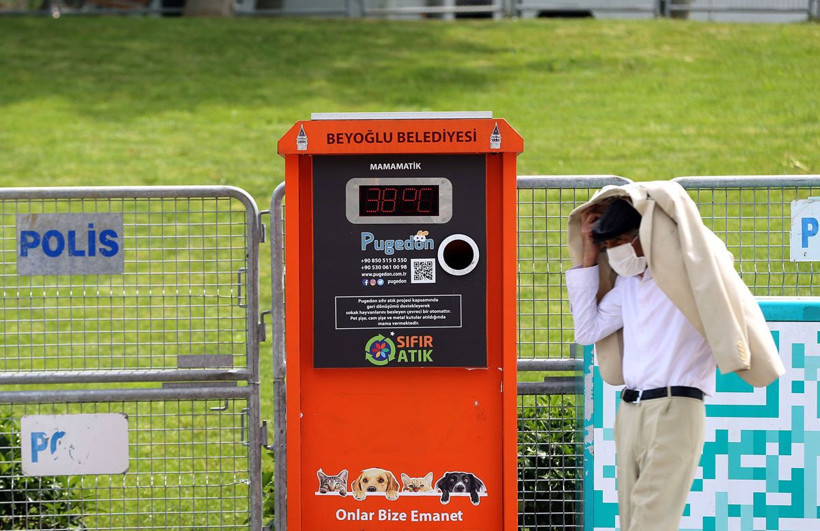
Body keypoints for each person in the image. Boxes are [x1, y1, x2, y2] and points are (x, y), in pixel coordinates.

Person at [565, 183, 783, 531]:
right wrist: (590, 257)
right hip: (630, 410)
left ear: (643, 235)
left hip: (676, 406)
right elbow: (587, 330)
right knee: (633, 520)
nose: (616, 252)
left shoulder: (691, 274)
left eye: (620, 241)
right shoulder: (628, 286)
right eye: (609, 245)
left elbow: (705, 250)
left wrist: (658, 212)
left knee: (652, 521)